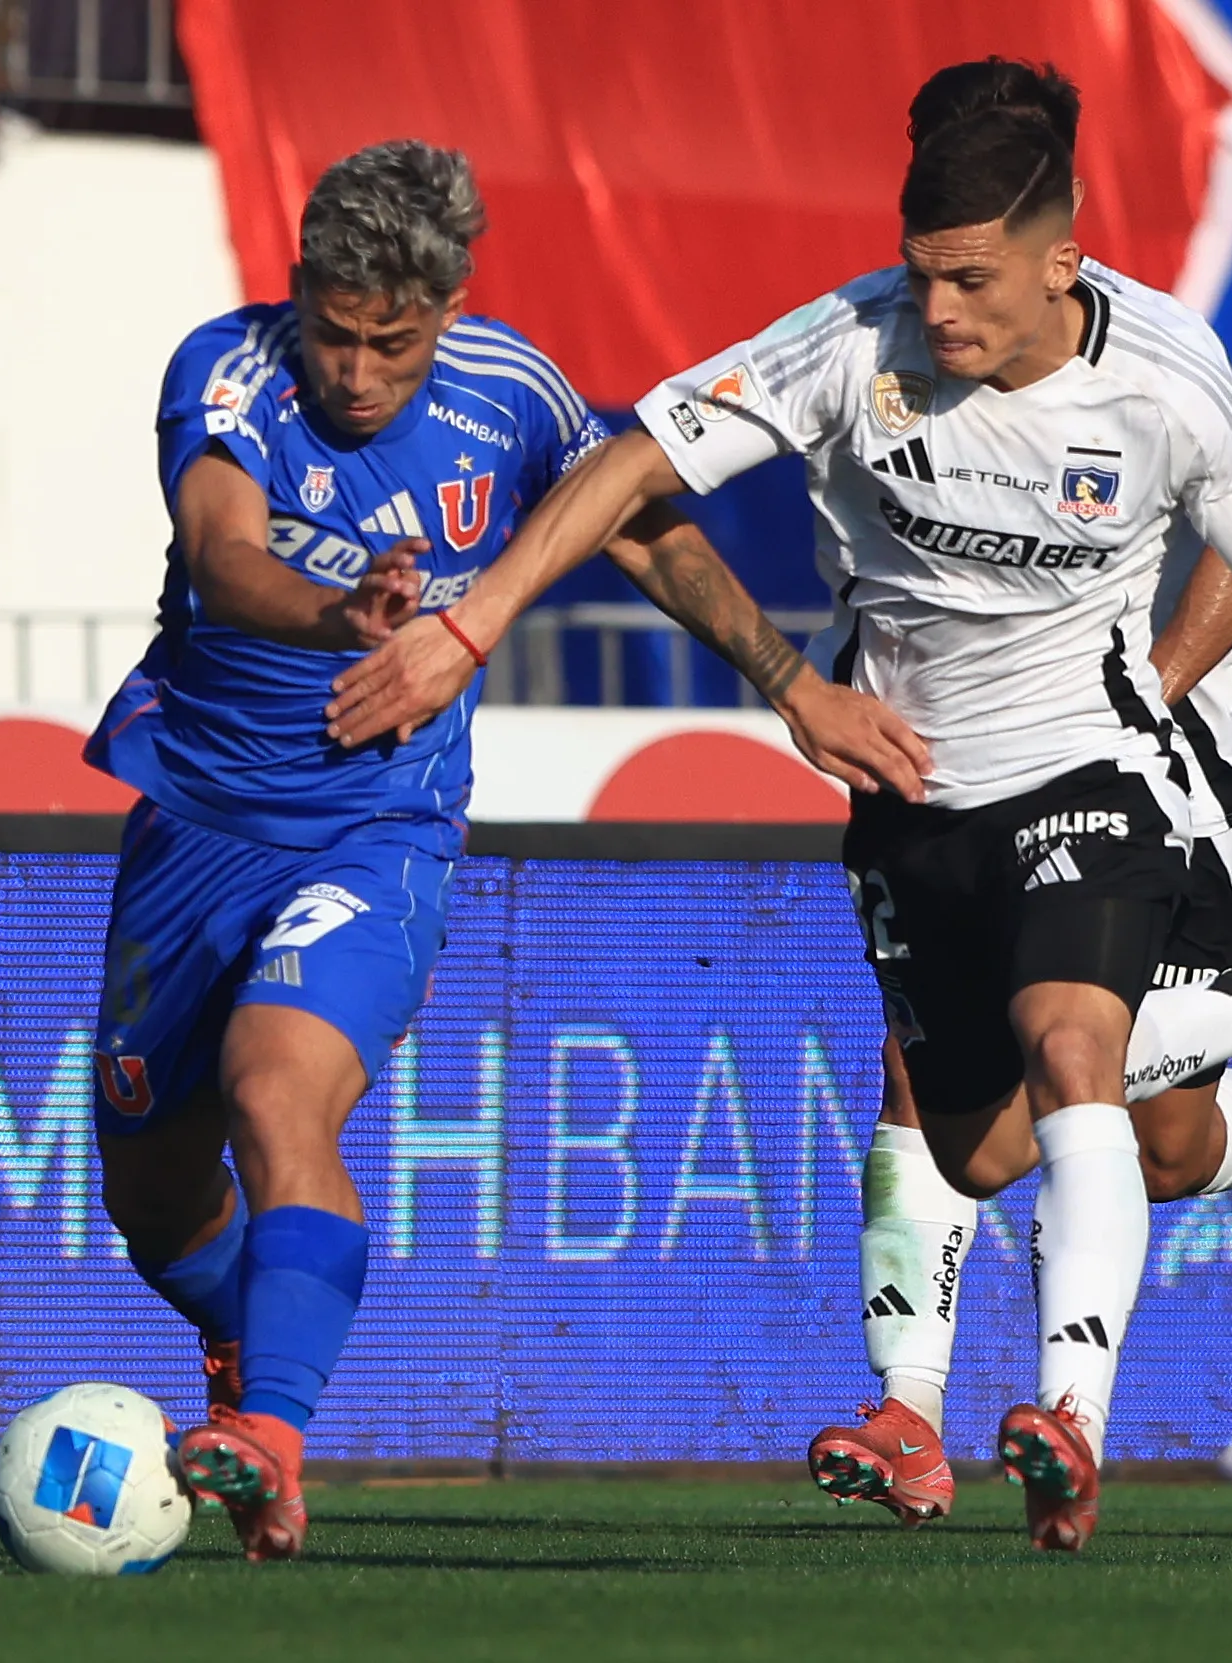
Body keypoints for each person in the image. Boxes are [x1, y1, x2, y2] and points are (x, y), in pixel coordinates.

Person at [327, 63, 1232, 1551]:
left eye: (969, 280)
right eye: (922, 275)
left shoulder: (1163, 372)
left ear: (1058, 263)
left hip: (1111, 766)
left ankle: (1044, 1422)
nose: (940, 311)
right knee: (992, 1144)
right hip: (912, 789)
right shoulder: (847, 345)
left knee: (1065, 1041)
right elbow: (631, 458)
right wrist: (476, 622)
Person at [82, 139, 912, 1563]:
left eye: (388, 344)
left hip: (377, 824)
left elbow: (649, 539)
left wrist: (791, 682)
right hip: (198, 825)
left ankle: (271, 1435)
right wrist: (339, 609)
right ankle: (244, 1328)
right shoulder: (225, 372)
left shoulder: (510, 395)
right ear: (299, 293)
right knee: (153, 1200)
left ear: (446, 311)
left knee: (275, 1090)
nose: (354, 372)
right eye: (334, 333)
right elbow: (221, 552)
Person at [803, 59, 1232, 1532]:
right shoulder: (897, 338)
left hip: (1155, 766)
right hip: (971, 780)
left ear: (1048, 210)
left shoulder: (1140, 358)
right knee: (1071, 1129)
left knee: (1083, 1082)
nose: (944, 280)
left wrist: (1141, 688)